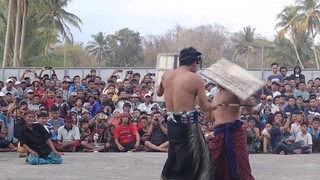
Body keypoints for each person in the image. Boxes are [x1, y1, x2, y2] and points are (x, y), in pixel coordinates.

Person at [158, 47, 215, 180]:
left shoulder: (167, 74)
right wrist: (216, 105)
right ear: (194, 62)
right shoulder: (196, 79)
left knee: (175, 155)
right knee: (197, 159)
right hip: (187, 125)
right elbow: (205, 107)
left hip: (171, 123)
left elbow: (159, 93)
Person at [201, 59, 263, 180]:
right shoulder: (216, 94)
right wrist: (204, 103)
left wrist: (243, 94)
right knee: (213, 166)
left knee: (241, 167)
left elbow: (249, 109)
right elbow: (210, 118)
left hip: (234, 133)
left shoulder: (235, 90)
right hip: (218, 133)